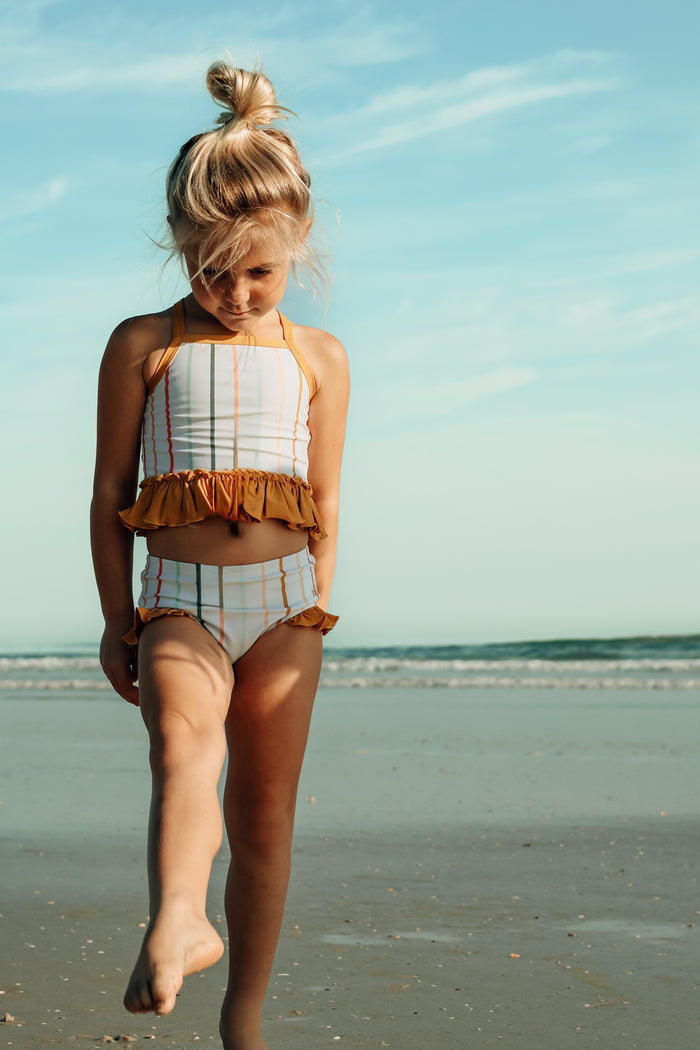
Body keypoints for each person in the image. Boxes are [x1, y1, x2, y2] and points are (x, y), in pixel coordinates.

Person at [90, 60, 349, 1050]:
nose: (235, 291)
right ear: (180, 246)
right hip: (180, 602)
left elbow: (324, 497)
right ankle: (178, 919)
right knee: (181, 754)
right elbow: (110, 495)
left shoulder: (316, 357)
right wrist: (119, 616)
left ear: (296, 249)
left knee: (266, 817)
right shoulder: (144, 344)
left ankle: (245, 1019)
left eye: (259, 271)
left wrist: (314, 604)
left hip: (284, 613)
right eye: (211, 269)